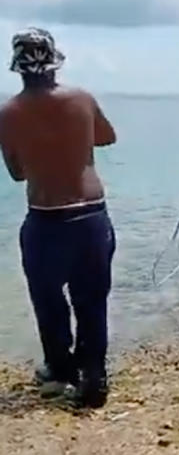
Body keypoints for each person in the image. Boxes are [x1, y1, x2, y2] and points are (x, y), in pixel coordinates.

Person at [0, 28, 116, 408]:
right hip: (90, 215)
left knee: (48, 300)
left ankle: (60, 368)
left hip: (45, 219)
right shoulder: (81, 98)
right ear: (54, 63)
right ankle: (94, 375)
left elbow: (17, 173)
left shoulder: (8, 113)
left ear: (19, 69)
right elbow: (107, 137)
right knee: (92, 299)